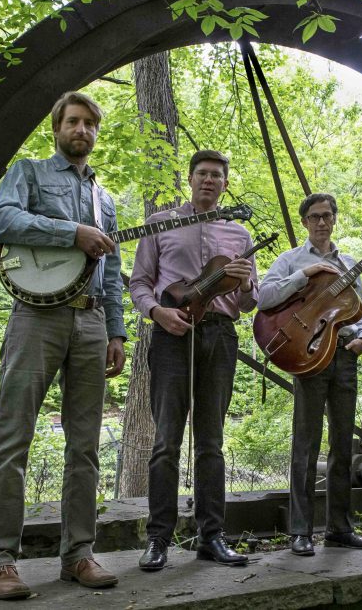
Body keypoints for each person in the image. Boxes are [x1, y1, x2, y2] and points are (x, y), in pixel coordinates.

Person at [0, 92, 127, 599]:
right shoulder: (30, 172)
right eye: (73, 121)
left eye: (90, 123)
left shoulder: (104, 199)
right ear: (57, 128)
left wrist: (116, 330)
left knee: (84, 448)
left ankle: (79, 555)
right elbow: (1, 221)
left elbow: (112, 272)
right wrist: (71, 232)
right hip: (35, 320)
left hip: (90, 325)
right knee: (11, 440)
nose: (81, 129)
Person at [130, 149, 258, 570]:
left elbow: (248, 301)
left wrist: (244, 285)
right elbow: (140, 283)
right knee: (167, 440)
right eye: (202, 173)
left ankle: (212, 536)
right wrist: (158, 313)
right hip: (171, 335)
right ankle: (159, 538)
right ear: (190, 179)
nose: (208, 180)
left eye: (216, 176)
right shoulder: (160, 223)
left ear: (225, 183)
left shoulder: (239, 235)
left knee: (211, 442)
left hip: (220, 336)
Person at [257, 193, 362, 556]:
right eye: (314, 217)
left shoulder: (349, 263)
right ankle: (300, 531)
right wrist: (303, 274)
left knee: (343, 446)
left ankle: (340, 528)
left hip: (343, 356)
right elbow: (264, 298)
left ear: (335, 219)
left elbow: (359, 313)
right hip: (309, 355)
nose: (321, 222)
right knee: (305, 445)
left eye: (326, 216)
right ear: (305, 222)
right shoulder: (291, 259)